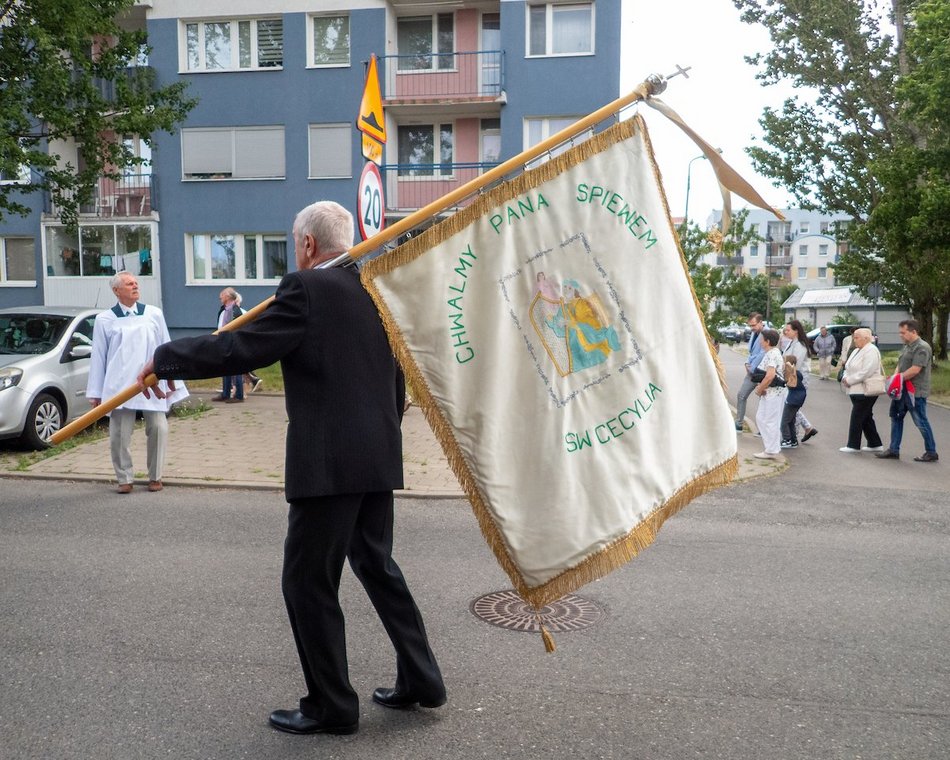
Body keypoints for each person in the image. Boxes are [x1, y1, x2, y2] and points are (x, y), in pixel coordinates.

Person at [137, 201, 445, 736]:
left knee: (307, 581)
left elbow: (244, 348)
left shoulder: (306, 288)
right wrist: (381, 434)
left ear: (306, 245)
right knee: (376, 565)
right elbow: (395, 379)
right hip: (376, 453)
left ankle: (332, 706)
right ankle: (422, 679)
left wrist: (168, 356)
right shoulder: (375, 287)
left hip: (329, 461)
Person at [86, 272, 187, 493]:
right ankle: (124, 478)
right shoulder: (105, 319)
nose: (135, 286)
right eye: (129, 283)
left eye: (136, 283)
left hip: (152, 381)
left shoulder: (153, 314)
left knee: (159, 428)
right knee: (120, 434)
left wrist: (173, 378)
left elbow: (165, 346)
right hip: (119, 384)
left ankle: (155, 476)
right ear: (116, 291)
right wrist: (96, 392)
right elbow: (99, 356)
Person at [876, 319, 939, 462]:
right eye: (900, 332)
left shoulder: (922, 347)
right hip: (901, 390)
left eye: (903, 332)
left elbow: (915, 370)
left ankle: (931, 452)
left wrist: (896, 379)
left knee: (920, 421)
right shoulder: (907, 346)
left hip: (915, 392)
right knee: (896, 418)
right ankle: (894, 449)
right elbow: (901, 363)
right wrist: (895, 376)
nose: (900, 335)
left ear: (913, 332)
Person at [839, 327, 885, 453]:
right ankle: (875, 443)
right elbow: (847, 366)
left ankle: (853, 445)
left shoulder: (871, 350)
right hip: (855, 389)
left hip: (865, 390)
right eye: (854, 336)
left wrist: (850, 380)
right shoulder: (856, 350)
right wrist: (844, 377)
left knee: (857, 417)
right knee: (866, 417)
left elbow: (867, 371)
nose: (854, 339)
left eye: (857, 337)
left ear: (866, 338)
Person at [781, 320, 818, 442]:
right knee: (792, 406)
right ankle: (807, 428)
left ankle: (793, 436)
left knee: (792, 406)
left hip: (798, 378)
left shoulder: (800, 345)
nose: (786, 332)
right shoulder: (792, 343)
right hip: (792, 377)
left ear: (796, 331)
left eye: (788, 330)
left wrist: (785, 375)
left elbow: (795, 364)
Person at [753, 328, 786, 460]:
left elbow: (770, 375)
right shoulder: (772, 353)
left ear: (767, 341)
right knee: (761, 418)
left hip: (774, 392)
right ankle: (770, 447)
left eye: (762, 340)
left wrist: (760, 388)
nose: (760, 342)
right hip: (770, 392)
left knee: (770, 420)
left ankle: (771, 450)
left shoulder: (772, 354)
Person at [212, 287, 245, 404]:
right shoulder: (224, 309)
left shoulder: (235, 311)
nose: (220, 297)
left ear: (228, 297)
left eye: (222, 295)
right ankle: (225, 393)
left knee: (236, 369)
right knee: (225, 368)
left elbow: (239, 327)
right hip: (223, 341)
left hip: (233, 342)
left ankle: (239, 395)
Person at [735, 312, 765, 432]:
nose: (752, 328)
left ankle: (762, 429)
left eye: (754, 325)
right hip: (752, 370)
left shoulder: (766, 333)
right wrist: (747, 363)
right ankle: (739, 423)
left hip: (762, 371)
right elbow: (752, 352)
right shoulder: (755, 333)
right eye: (750, 326)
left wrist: (751, 367)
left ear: (760, 322)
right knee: (741, 395)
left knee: (764, 401)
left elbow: (763, 353)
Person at [780, 355, 806, 449]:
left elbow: (790, 384)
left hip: (793, 399)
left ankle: (787, 440)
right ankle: (793, 440)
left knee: (784, 421)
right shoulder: (797, 373)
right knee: (791, 421)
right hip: (798, 398)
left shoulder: (792, 373)